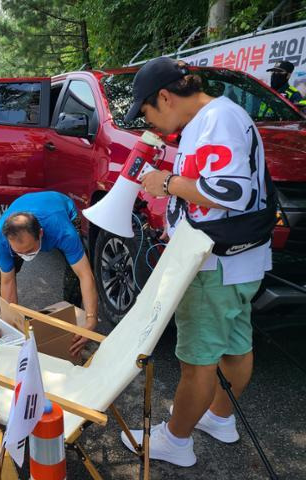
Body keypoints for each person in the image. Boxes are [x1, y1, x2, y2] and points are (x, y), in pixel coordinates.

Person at [121, 57, 271, 467]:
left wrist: (166, 183)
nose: (149, 123)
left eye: (147, 112)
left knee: (197, 361)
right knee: (236, 346)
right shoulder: (213, 119)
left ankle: (176, 441)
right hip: (238, 262)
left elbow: (232, 191)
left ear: (165, 96)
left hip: (214, 263)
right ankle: (220, 419)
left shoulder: (215, 119)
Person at [0, 191, 99, 357]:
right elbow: (8, 281)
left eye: (29, 250)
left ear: (41, 234)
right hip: (25, 206)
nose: (25, 255)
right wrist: (12, 326)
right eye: (18, 252)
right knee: (1, 275)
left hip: (60, 208)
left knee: (74, 277)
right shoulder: (1, 240)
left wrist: (91, 320)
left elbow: (85, 275)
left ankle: (74, 325)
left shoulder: (63, 231)